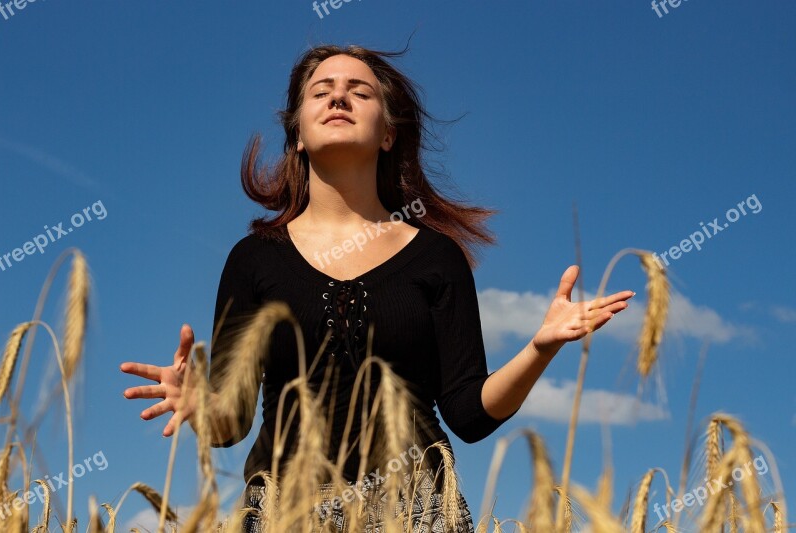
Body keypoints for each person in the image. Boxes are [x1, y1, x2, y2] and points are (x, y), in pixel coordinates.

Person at [120, 44, 634, 532]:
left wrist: (540, 349)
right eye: (320, 91)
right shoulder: (254, 259)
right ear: (297, 133)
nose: (339, 97)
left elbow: (469, 414)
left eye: (360, 92)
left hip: (417, 510)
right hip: (285, 512)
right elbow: (229, 426)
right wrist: (197, 403)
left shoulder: (436, 258)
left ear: (388, 134)